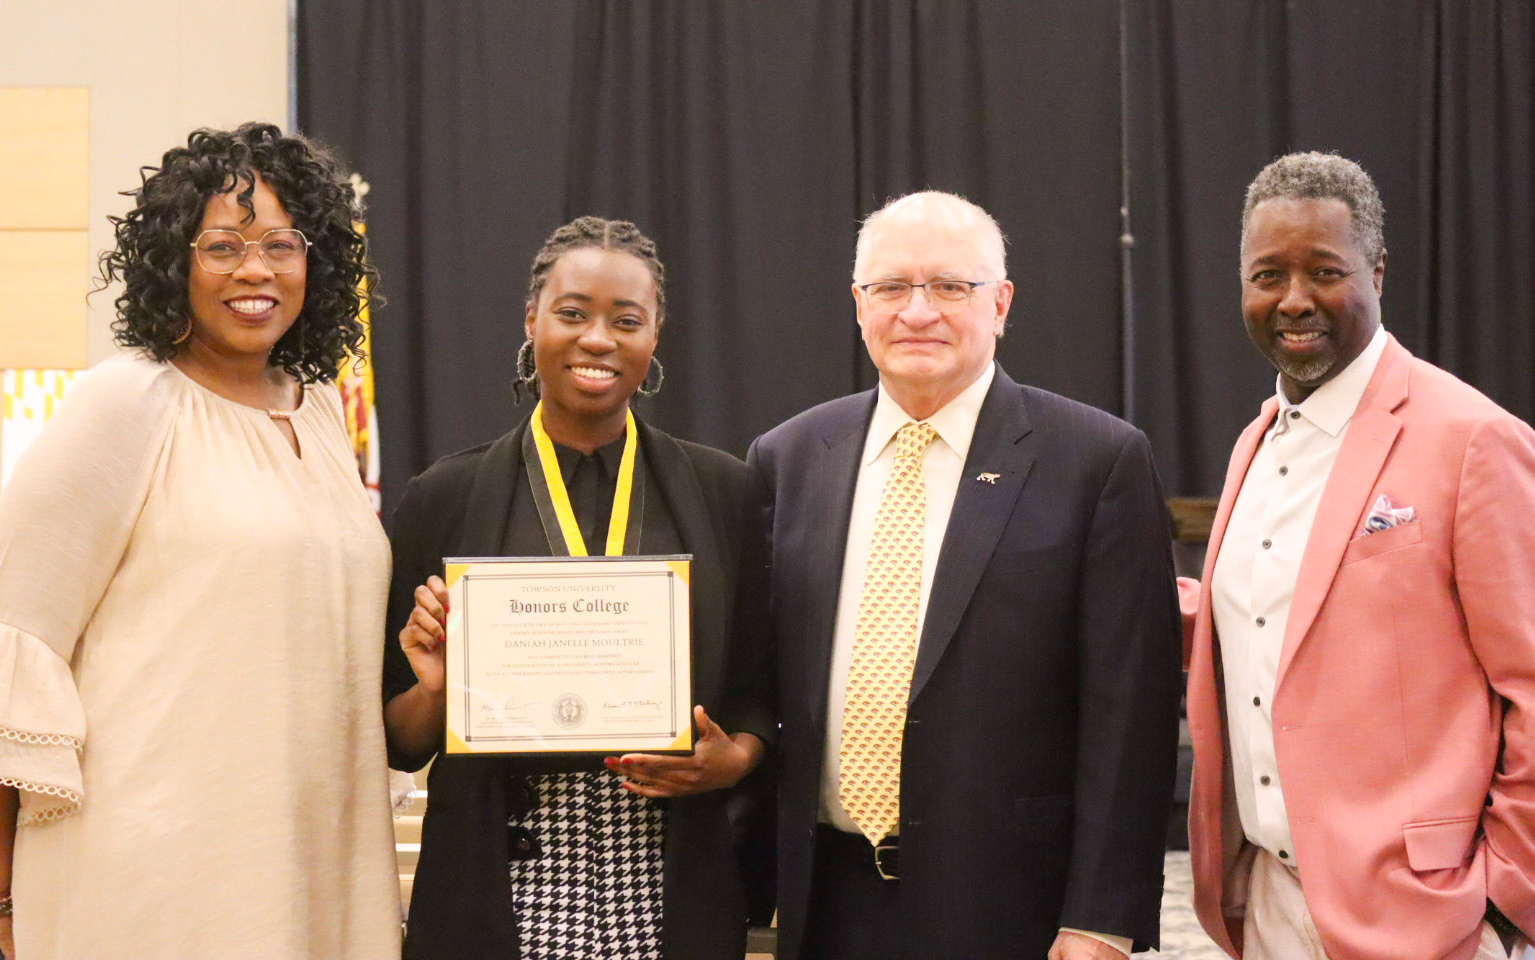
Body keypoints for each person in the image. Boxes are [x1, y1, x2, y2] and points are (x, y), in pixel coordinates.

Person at [747, 191, 1182, 960]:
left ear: (1000, 303)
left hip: (1013, 909)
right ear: (858, 305)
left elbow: (1131, 714)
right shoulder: (786, 459)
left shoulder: (1095, 461)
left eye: (950, 287)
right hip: (824, 903)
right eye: (891, 287)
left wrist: (1100, 919)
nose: (917, 312)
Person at [0, 123, 400, 959]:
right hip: (153, 878)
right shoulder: (124, 402)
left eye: (281, 245)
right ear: (171, 262)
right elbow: (15, 646)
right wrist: (2, 904)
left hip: (310, 867)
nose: (255, 271)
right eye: (222, 245)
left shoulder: (322, 410)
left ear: (315, 262)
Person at [382, 216, 774, 960]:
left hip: (663, 877)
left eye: (626, 320)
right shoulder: (444, 495)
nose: (598, 339)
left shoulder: (724, 491)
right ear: (532, 322)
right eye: (572, 313)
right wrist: (436, 688)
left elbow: (759, 691)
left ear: (655, 336)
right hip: (500, 881)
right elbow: (400, 740)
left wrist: (734, 758)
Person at [1181, 152, 1535, 960]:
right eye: (1267, 274)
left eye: (1324, 271)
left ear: (1375, 273)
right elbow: (1281, 621)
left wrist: (1504, 901)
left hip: (1427, 919)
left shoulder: (1471, 438)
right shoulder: (1256, 441)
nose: (1294, 300)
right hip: (1268, 902)